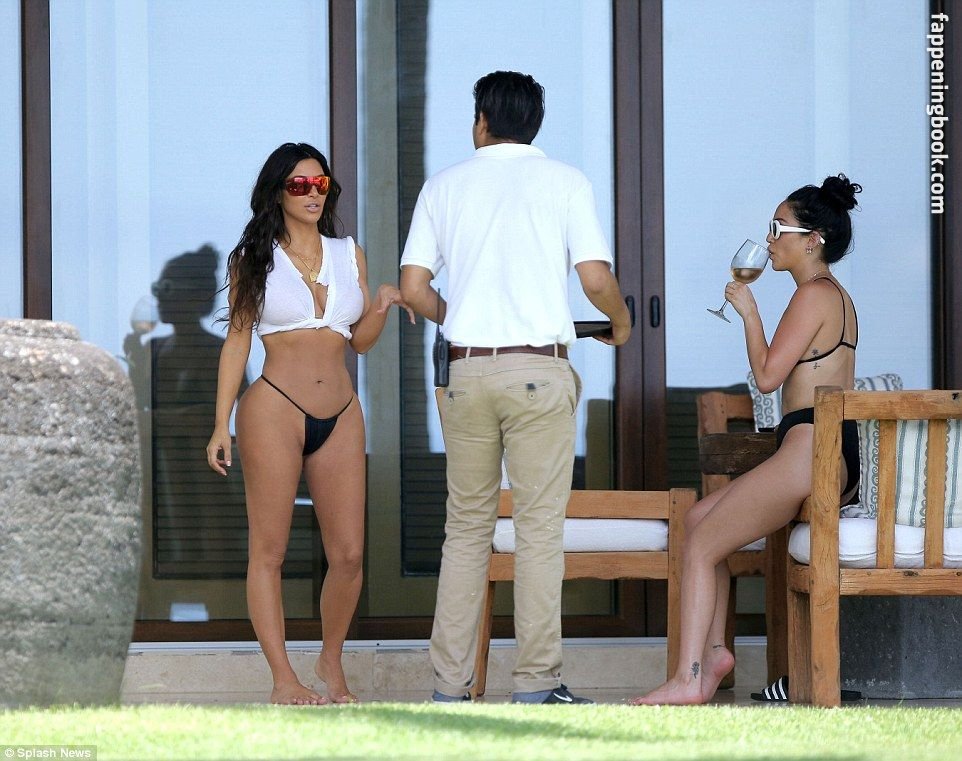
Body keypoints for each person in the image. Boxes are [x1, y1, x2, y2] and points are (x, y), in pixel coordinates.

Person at [400, 70, 631, 705]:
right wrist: (620, 321)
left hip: (466, 373)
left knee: (465, 530)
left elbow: (415, 289)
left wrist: (467, 316)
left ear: (481, 121)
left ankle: (449, 688)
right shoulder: (566, 182)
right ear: (535, 124)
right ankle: (535, 683)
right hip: (537, 371)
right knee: (537, 531)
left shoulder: (444, 185)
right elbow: (594, 277)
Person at [632, 174, 862, 705]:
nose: (769, 239)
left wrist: (749, 312)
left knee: (702, 546)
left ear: (813, 239)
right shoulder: (832, 295)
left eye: (779, 228)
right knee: (696, 522)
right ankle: (715, 654)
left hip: (811, 448)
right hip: (821, 447)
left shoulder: (813, 295)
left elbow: (767, 376)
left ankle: (688, 678)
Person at [206, 142, 413, 705]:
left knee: (348, 554)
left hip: (341, 412)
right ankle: (282, 678)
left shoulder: (349, 253)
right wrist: (220, 423)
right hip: (273, 408)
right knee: (269, 552)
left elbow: (358, 343)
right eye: (300, 185)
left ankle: (330, 660)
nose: (313, 193)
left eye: (321, 184)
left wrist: (380, 306)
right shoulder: (254, 258)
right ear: (278, 192)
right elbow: (238, 341)